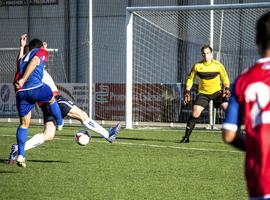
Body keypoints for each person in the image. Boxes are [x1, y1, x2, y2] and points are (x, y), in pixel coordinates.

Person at [8, 38, 121, 166]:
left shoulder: (25, 65)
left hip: (44, 105)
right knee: (82, 115)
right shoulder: (37, 66)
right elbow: (36, 58)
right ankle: (108, 134)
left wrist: (22, 47)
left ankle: (19, 149)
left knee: (48, 135)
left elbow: (20, 61)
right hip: (55, 100)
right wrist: (40, 49)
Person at [222, 12, 270, 199]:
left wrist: (257, 144)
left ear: (257, 40)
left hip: (261, 175)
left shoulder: (244, 81)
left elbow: (228, 135)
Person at [14, 36, 63, 167]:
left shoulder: (24, 57)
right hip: (34, 87)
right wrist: (24, 79)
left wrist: (21, 47)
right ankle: (59, 123)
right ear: (41, 47)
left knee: (24, 124)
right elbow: (35, 61)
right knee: (52, 98)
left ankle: (21, 155)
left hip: (20, 92)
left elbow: (19, 62)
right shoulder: (40, 52)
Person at [180, 44, 230, 143]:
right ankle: (186, 137)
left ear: (211, 54)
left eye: (208, 53)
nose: (206, 55)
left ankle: (239, 133)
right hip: (203, 93)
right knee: (195, 112)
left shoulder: (218, 65)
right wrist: (187, 91)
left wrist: (227, 88)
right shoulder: (197, 66)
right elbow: (190, 79)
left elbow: (225, 77)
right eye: (204, 53)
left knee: (228, 109)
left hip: (217, 92)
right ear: (201, 54)